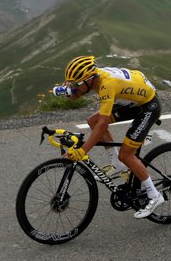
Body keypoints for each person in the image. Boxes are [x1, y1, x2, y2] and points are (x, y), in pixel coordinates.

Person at [56, 55, 164, 219]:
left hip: (148, 106)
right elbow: (95, 119)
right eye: (72, 83)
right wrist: (73, 92)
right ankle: (117, 165)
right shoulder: (95, 78)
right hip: (132, 100)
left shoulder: (107, 85)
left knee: (126, 154)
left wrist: (83, 151)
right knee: (92, 120)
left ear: (90, 79)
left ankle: (154, 195)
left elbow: (102, 126)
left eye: (77, 84)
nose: (74, 86)